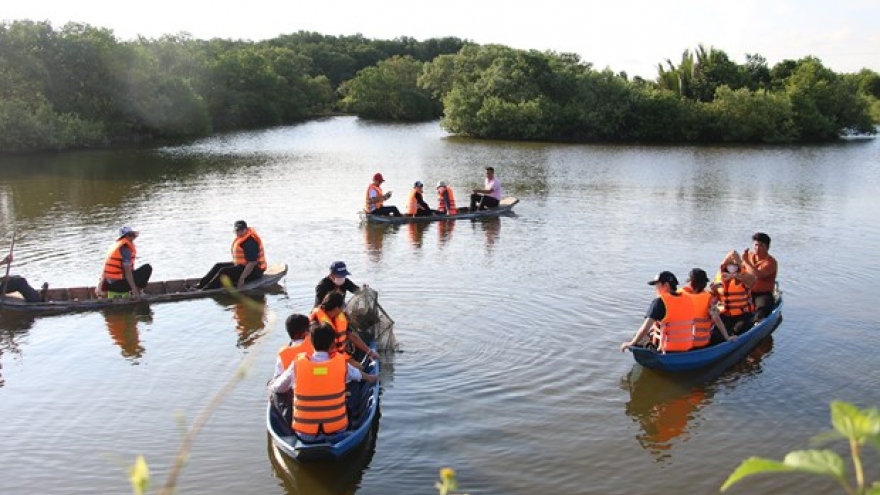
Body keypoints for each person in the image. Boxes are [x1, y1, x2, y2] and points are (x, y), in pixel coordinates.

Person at [269, 322, 378, 440]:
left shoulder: (297, 364)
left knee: (275, 391)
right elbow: (359, 376)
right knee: (352, 388)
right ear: (333, 344)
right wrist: (372, 377)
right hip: (337, 431)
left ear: (311, 342)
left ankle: (287, 433)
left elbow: (279, 388)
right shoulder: (341, 364)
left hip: (305, 434)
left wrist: (271, 385)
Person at [620, 271, 696, 353]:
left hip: (667, 351)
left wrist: (631, 343)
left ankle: (652, 350)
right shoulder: (688, 299)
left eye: (657, 285)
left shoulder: (660, 301)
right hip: (686, 348)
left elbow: (645, 328)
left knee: (638, 337)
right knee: (654, 329)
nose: (655, 289)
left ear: (666, 285)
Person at [194, 220, 266, 290]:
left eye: (241, 230)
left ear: (246, 229)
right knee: (218, 265)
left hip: (254, 272)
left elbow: (252, 263)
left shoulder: (250, 242)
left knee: (224, 271)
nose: (239, 232)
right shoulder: (241, 239)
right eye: (237, 230)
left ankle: (207, 289)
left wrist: (242, 279)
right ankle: (200, 285)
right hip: (243, 266)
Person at [310, 292, 379, 362]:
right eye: (342, 306)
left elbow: (352, 336)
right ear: (337, 308)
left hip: (339, 355)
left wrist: (369, 352)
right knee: (359, 371)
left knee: (359, 368)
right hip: (325, 359)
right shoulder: (317, 323)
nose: (343, 309)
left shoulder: (339, 319)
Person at [680, 268, 735, 347]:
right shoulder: (707, 298)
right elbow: (716, 318)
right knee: (720, 329)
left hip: (681, 341)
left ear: (690, 282)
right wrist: (727, 337)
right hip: (700, 343)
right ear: (703, 284)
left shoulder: (679, 294)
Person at [710, 250, 756, 335]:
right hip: (725, 314)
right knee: (715, 334)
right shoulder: (720, 277)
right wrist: (713, 290)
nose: (732, 267)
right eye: (729, 265)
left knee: (737, 331)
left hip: (743, 315)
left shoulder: (744, 276)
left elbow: (752, 281)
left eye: (734, 266)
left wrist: (733, 275)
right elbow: (715, 298)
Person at [99, 226, 152, 300]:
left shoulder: (116, 245)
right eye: (129, 235)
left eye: (132, 234)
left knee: (135, 271)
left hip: (110, 284)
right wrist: (135, 292)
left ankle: (135, 291)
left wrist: (99, 285)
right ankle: (138, 292)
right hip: (117, 285)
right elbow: (127, 272)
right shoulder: (125, 248)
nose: (132, 237)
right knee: (147, 268)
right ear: (124, 237)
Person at [741, 232, 778, 322]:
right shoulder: (749, 256)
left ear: (767, 248)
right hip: (747, 292)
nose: (757, 248)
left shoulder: (770, 262)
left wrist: (746, 261)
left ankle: (755, 321)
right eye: (756, 245)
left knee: (762, 309)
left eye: (761, 246)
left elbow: (757, 275)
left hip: (763, 294)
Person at [273, 314, 315, 379]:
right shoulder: (315, 346)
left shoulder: (283, 353)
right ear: (305, 332)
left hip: (292, 386)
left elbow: (277, 377)